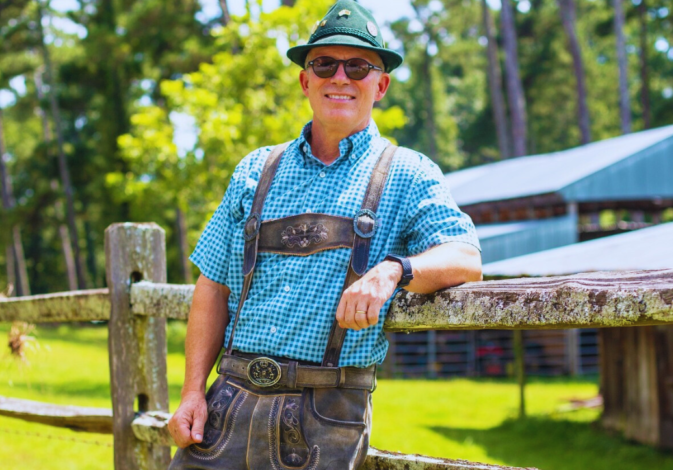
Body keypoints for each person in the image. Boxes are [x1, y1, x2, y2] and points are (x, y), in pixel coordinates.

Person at [167, 1, 482, 468]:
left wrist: (394, 270)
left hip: (324, 416)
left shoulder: (409, 173)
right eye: (324, 63)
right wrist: (193, 391)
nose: (340, 77)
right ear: (304, 80)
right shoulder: (256, 169)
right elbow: (213, 283)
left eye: (358, 66)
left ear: (381, 86)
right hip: (225, 404)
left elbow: (466, 259)